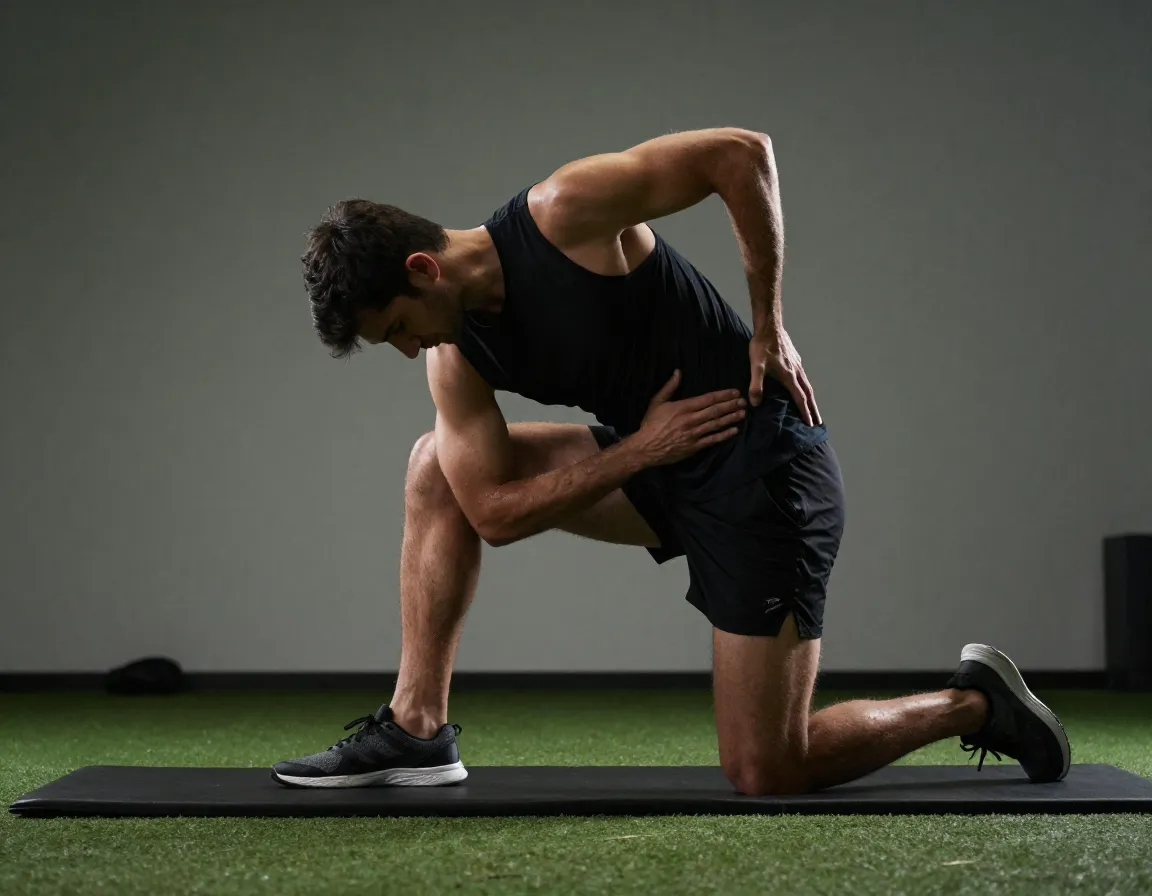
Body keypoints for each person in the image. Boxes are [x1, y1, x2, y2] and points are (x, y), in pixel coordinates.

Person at [276, 127, 1070, 794]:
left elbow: (741, 154)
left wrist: (768, 322)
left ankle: (973, 705)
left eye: (401, 328)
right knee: (433, 464)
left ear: (422, 269)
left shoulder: (566, 212)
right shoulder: (456, 359)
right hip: (655, 463)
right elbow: (491, 513)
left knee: (766, 770)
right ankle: (417, 728)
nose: (411, 349)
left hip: (761, 472)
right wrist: (643, 450)